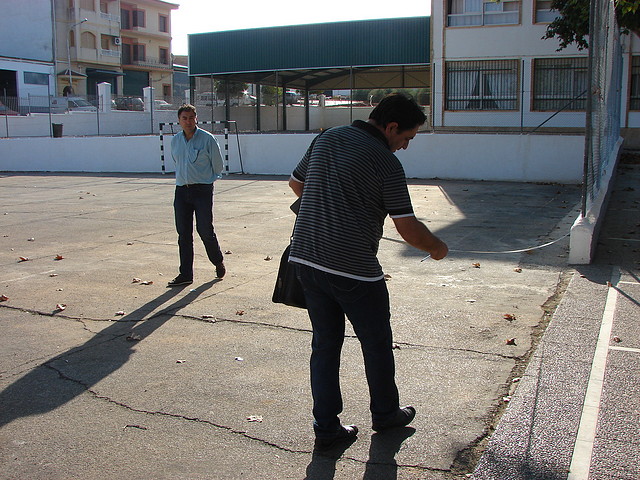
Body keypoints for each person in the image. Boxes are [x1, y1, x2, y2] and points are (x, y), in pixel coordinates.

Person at [288, 93, 448, 450]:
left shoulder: (327, 138)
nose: (405, 147)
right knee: (376, 344)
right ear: (391, 127)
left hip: (307, 260)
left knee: (325, 347)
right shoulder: (386, 163)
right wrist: (437, 247)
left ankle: (326, 429)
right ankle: (386, 414)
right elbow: (407, 228)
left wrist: (324, 210)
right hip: (354, 270)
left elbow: (297, 184)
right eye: (406, 138)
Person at [168, 104, 226, 287]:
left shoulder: (207, 139)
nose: (188, 121)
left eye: (191, 117)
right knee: (183, 234)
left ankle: (217, 261)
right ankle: (185, 274)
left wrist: (207, 182)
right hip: (181, 191)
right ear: (179, 120)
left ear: (196, 119)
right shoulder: (175, 140)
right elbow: (176, 161)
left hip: (202, 190)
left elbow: (218, 165)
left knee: (205, 230)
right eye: (184, 118)